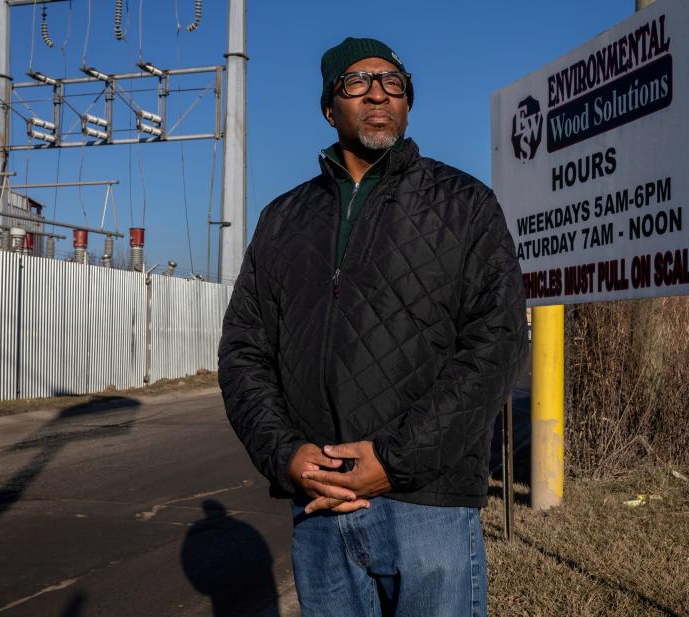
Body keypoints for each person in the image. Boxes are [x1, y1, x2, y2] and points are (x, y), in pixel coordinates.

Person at [218, 36, 527, 616]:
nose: (378, 94)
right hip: (320, 501)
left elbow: (497, 344)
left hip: (426, 500)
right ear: (329, 108)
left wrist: (395, 460)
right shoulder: (283, 218)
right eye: (356, 82)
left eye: (393, 83)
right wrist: (288, 455)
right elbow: (243, 352)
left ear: (408, 103)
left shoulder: (464, 204)